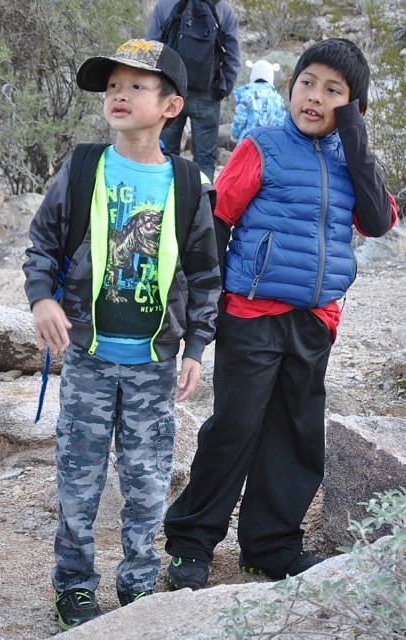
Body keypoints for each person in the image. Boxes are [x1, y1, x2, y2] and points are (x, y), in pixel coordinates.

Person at [163, 37, 398, 590]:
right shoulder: (261, 146)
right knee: (234, 427)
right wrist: (206, 306)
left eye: (333, 91)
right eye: (307, 83)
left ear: (354, 107)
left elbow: (378, 221)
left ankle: (271, 547)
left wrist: (355, 140)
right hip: (251, 313)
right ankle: (191, 542)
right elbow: (217, 221)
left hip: (314, 320)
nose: (314, 97)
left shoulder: (352, 160)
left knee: (295, 433)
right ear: (290, 88)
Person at [23, 38, 221, 630]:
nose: (119, 94)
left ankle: (137, 585)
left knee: (146, 481)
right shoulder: (84, 167)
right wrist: (41, 299)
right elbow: (43, 242)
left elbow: (206, 274)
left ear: (171, 106)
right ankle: (74, 586)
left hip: (154, 365)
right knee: (78, 480)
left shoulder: (188, 184)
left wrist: (196, 347)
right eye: (113, 85)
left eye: (137, 85)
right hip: (86, 357)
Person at [146, 0, 241, 182]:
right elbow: (233, 55)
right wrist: (223, 88)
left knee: (163, 154)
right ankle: (201, 198)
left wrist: (155, 89)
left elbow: (151, 48)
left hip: (170, 91)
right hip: (207, 93)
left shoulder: (165, 5)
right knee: (204, 160)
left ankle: (164, 196)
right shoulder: (223, 8)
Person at [230, 58, 286, 144]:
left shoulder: (247, 94)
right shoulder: (277, 98)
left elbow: (240, 118)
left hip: (248, 142)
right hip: (270, 143)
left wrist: (234, 134)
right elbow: (281, 122)